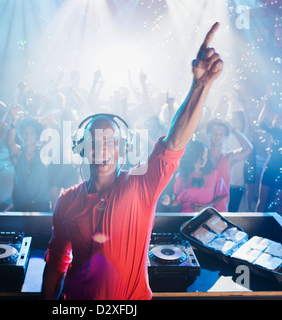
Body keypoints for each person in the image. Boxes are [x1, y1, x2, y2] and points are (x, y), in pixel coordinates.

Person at [41, 22, 223, 300]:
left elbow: (175, 141)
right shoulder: (66, 201)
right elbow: (56, 265)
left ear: (121, 149)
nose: (101, 147)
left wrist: (200, 86)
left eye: (109, 140)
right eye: (95, 140)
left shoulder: (140, 185)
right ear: (82, 148)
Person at [6, 105, 52, 211]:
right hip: (23, 204)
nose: (28, 135)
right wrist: (14, 121)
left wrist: (47, 125)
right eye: (25, 133)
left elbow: (49, 143)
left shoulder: (41, 153)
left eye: (31, 133)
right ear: (21, 135)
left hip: (42, 204)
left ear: (36, 135)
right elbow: (10, 142)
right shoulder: (18, 152)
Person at [206, 119, 252, 211]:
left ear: (226, 137)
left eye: (221, 134)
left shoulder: (228, 157)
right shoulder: (202, 156)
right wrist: (203, 125)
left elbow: (248, 149)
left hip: (220, 210)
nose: (217, 136)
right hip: (201, 206)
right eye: (215, 133)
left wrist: (234, 130)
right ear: (209, 134)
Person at [172, 140, 228, 212]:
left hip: (207, 215)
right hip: (187, 216)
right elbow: (177, 201)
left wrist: (207, 207)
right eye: (201, 157)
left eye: (206, 157)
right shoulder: (180, 177)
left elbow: (222, 194)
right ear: (192, 157)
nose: (204, 161)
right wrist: (168, 202)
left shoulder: (215, 174)